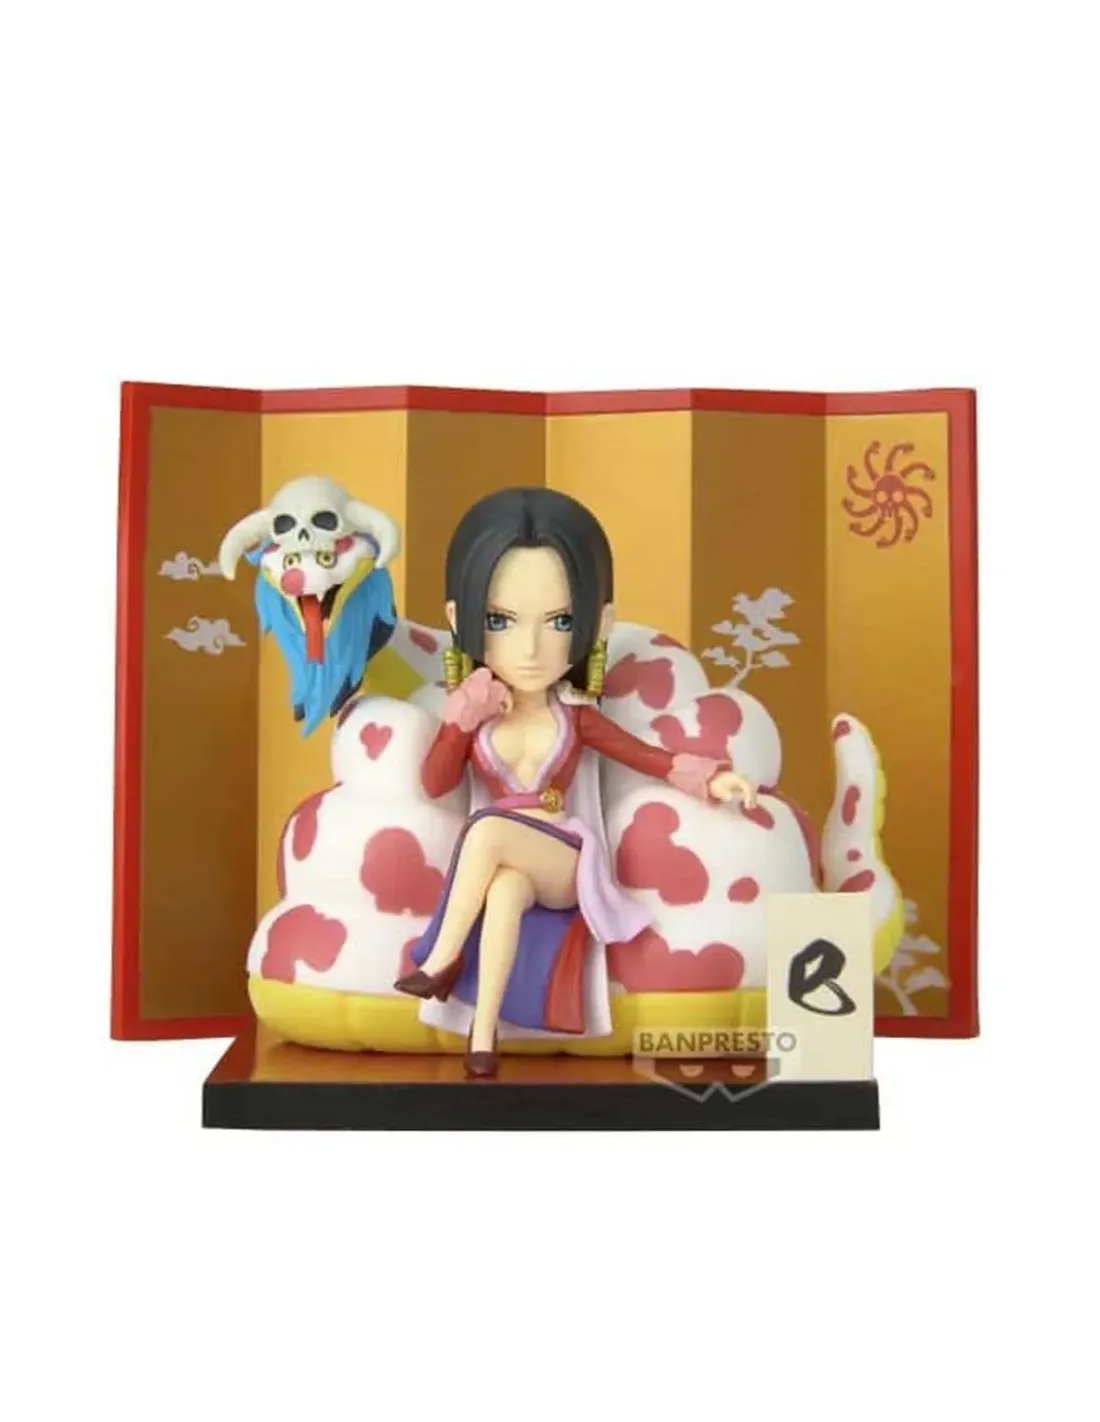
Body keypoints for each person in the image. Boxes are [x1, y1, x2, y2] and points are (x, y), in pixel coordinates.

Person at [394, 487, 756, 1077]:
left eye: (560, 621)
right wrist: (460, 722)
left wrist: (709, 780)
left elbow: (646, 756)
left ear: (598, 621)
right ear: (459, 620)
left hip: (565, 858)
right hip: (512, 862)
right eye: (500, 621)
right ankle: (482, 1036)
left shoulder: (576, 716)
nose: (530, 648)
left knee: (486, 830)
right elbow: (436, 782)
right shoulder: (478, 712)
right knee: (503, 891)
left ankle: (440, 957)